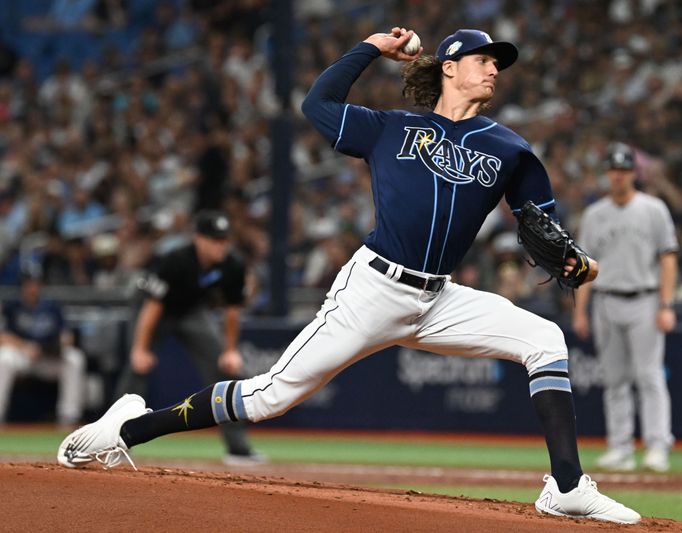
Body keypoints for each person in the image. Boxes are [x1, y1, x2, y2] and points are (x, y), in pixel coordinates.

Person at [58, 28, 640, 524]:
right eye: (485, 60)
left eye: (497, 63)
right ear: (450, 68)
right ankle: (128, 430)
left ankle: (566, 488)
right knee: (268, 399)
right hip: (373, 290)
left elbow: (543, 225)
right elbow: (317, 105)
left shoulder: (510, 148)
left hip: (440, 299)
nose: (494, 70)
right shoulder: (389, 128)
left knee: (546, 340)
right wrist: (369, 48)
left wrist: (573, 259)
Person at [113, 210, 264, 466]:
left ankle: (237, 448)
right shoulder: (176, 260)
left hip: (192, 312)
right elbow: (153, 306)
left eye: (224, 239)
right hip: (154, 312)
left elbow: (232, 312)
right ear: (199, 239)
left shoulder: (233, 264)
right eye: (215, 239)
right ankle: (114, 439)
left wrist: (230, 350)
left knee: (222, 369)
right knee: (136, 371)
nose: (221, 245)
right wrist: (140, 348)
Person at [572, 142, 679, 473]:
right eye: (614, 170)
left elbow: (668, 258)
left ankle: (657, 445)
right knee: (615, 379)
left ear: (634, 172)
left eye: (624, 170)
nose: (618, 176)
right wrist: (580, 311)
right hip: (605, 299)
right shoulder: (594, 214)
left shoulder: (653, 209)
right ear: (608, 174)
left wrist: (666, 303)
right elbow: (584, 268)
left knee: (649, 375)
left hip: (644, 298)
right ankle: (620, 447)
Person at [0, 264, 86, 426]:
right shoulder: (13, 306)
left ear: (41, 286)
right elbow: (2, 336)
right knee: (4, 357)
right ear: (22, 286)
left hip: (46, 358)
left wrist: (49, 348)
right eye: (28, 284)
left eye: (35, 283)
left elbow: (67, 338)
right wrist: (25, 346)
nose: (32, 288)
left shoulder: (52, 307)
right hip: (23, 356)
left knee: (75, 359)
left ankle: (68, 417)